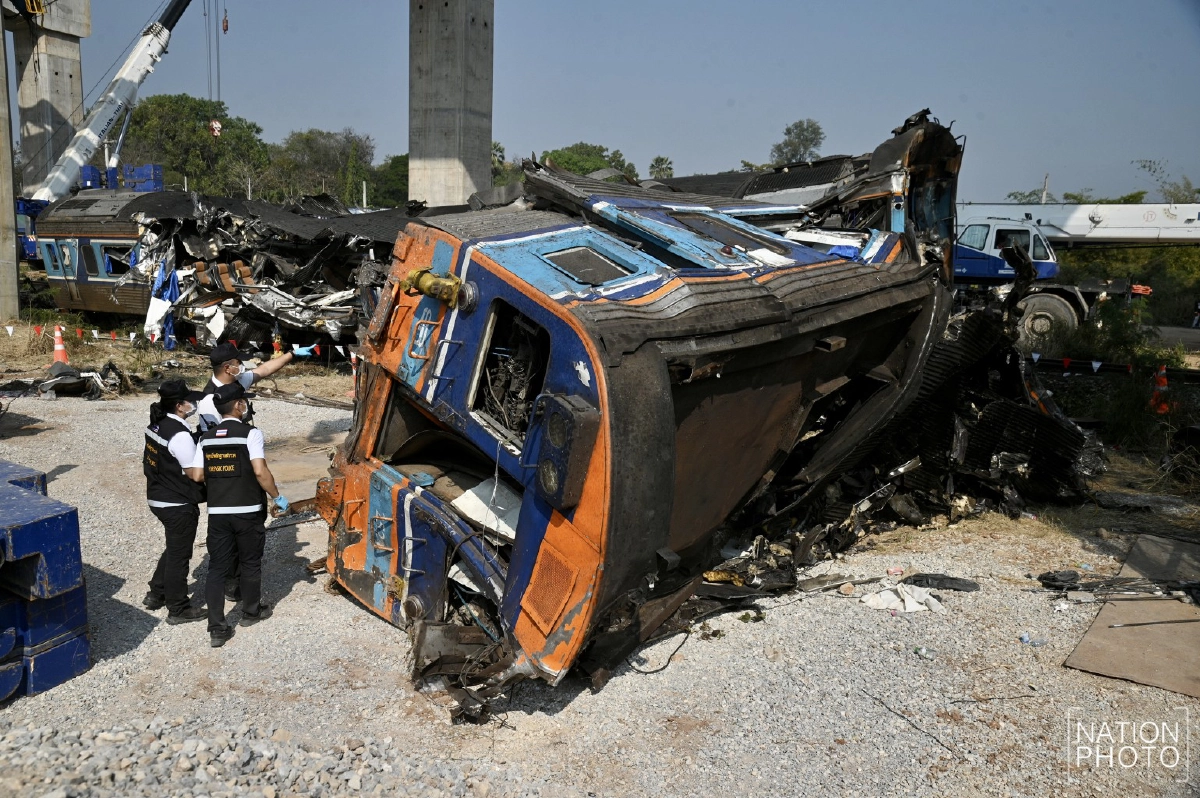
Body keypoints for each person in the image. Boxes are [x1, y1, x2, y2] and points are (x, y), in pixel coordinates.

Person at [187, 381, 290, 647]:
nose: (245, 405)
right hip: (247, 510)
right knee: (250, 561)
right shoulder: (250, 433)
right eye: (244, 401)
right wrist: (277, 496)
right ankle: (251, 612)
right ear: (238, 405)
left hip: (218, 512)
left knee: (217, 567)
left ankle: (217, 628)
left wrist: (220, 478)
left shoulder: (206, 438)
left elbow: (197, 475)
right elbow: (260, 471)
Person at [142, 379, 208, 624]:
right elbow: (195, 475)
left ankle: (156, 592)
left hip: (158, 496)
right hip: (177, 504)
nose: (194, 404)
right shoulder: (179, 435)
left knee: (174, 548)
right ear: (179, 406)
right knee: (180, 556)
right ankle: (178, 608)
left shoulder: (158, 425)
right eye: (190, 401)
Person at [196, 341, 315, 432]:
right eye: (239, 362)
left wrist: (292, 353)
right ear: (227, 368)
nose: (242, 365)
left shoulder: (238, 380)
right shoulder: (209, 399)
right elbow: (209, 438)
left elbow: (265, 369)